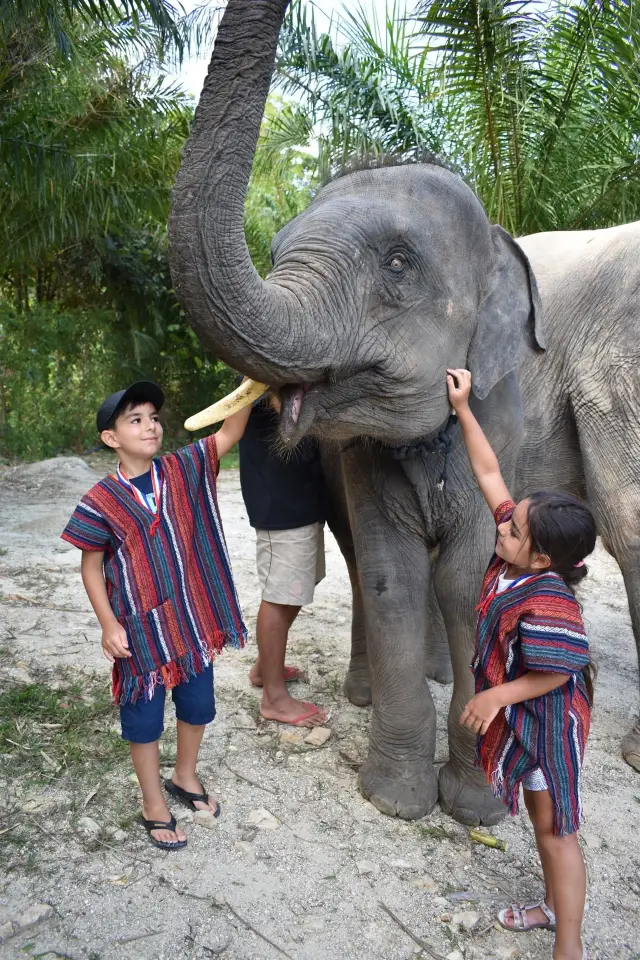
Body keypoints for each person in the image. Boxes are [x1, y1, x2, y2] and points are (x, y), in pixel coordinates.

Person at [61, 381, 250, 851]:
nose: (150, 426)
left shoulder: (181, 470)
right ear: (112, 438)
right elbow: (91, 567)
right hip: (140, 631)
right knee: (144, 721)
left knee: (198, 706)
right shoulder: (100, 500)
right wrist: (109, 624)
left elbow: (228, 434)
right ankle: (152, 802)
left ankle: (184, 775)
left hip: (191, 621)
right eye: (135, 420)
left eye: (153, 418)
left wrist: (251, 382)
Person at [447, 368, 596, 960]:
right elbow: (489, 472)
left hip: (549, 725)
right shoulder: (519, 557)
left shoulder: (547, 597)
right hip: (526, 720)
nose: (500, 524)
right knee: (542, 823)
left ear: (542, 556)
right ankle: (555, 909)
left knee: (559, 832)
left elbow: (558, 673)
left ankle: (570, 943)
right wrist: (462, 408)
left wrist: (495, 696)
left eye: (511, 529)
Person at [239, 392, 328, 727]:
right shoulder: (257, 370)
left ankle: (266, 668)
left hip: (302, 497)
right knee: (279, 597)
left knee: (296, 590)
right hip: (280, 504)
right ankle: (274, 699)